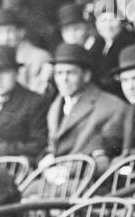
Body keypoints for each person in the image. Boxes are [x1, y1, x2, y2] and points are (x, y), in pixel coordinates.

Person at [43, 42, 128, 173]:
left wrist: (66, 171)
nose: (63, 79)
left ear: (86, 76)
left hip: (85, 180)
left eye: (70, 73)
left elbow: (104, 156)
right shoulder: (56, 105)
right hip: (54, 176)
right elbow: (51, 147)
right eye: (59, 73)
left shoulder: (112, 106)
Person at [0, 44, 48, 162]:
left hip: (15, 168)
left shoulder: (34, 102)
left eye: (4, 72)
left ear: (16, 74)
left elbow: (39, 144)